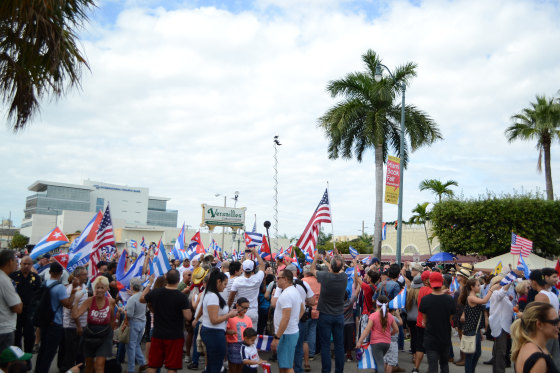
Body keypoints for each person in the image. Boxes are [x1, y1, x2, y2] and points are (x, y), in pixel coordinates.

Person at [140, 270, 191, 373]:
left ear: (166, 279)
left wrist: (150, 283)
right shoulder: (181, 297)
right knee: (172, 367)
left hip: (158, 333)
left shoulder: (156, 292)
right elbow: (188, 316)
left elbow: (141, 299)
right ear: (178, 280)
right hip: (175, 335)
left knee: (153, 365)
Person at [35, 262, 77, 373]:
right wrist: (73, 293)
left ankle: (38, 370)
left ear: (50, 272)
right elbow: (67, 304)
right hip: (55, 322)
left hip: (44, 321)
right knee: (49, 353)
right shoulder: (59, 287)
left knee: (43, 351)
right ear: (61, 273)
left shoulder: (44, 284)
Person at [310, 253, 348, 373]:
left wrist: (317, 257)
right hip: (339, 315)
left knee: (325, 346)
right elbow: (339, 268)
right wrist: (329, 260)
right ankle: (339, 370)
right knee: (339, 346)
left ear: (330, 267)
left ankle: (326, 370)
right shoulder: (344, 277)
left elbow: (312, 269)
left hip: (325, 315)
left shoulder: (324, 276)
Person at [71, 275, 116, 373]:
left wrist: (111, 334)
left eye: (102, 287)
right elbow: (75, 315)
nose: (99, 290)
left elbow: (112, 319)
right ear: (94, 288)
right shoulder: (89, 301)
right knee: (89, 365)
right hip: (90, 335)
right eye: (97, 287)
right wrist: (76, 301)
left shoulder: (111, 301)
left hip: (104, 335)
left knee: (100, 365)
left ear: (106, 289)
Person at [200, 269, 238, 373]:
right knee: (216, 364)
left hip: (214, 332)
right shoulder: (213, 296)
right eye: (225, 284)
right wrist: (229, 315)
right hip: (213, 333)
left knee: (213, 364)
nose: (226, 286)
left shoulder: (212, 294)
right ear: (218, 281)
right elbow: (214, 320)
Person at [458, 278, 499, 373]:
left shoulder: (474, 296)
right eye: (477, 285)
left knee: (477, 353)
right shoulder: (470, 297)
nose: (479, 286)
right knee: (471, 354)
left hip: (475, 329)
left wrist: (480, 331)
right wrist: (491, 289)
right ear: (472, 287)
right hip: (470, 330)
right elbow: (484, 301)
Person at [418, 272, 455, 373]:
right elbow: (450, 319)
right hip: (445, 337)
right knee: (444, 364)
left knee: (433, 366)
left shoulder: (425, 300)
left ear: (430, 282)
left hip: (431, 338)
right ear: (441, 282)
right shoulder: (449, 300)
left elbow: (424, 321)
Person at [511, 302, 559, 373]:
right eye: (555, 322)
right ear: (539, 324)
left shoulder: (525, 346)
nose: (558, 326)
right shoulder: (538, 360)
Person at [271, 269, 303, 373]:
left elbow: (286, 317)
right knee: (284, 365)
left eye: (278, 278)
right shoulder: (294, 291)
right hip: (289, 332)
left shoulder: (286, 295)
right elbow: (302, 308)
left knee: (287, 367)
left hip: (286, 334)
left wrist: (277, 337)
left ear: (285, 279)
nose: (277, 280)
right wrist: (295, 320)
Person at [10, 255, 41, 362]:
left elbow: (39, 295)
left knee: (29, 336)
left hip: (30, 312)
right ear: (20, 264)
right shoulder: (13, 276)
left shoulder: (36, 278)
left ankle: (27, 359)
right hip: (16, 311)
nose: (26, 266)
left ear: (32, 265)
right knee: (16, 336)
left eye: (29, 264)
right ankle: (17, 359)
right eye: (24, 264)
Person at [356, 295, 398, 373]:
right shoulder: (390, 316)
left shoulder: (373, 316)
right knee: (379, 361)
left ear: (376, 304)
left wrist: (359, 341)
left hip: (376, 343)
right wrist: (390, 334)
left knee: (380, 364)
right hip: (387, 343)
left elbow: (367, 330)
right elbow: (396, 329)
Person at [61, 266, 88, 373]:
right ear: (77, 276)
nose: (86, 276)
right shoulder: (72, 290)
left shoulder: (83, 286)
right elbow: (72, 309)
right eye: (84, 274)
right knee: (71, 354)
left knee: (80, 353)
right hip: (73, 327)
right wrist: (79, 326)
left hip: (82, 325)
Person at [229, 249, 266, 326]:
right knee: (251, 336)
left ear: (242, 269)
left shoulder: (237, 281)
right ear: (253, 269)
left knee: (240, 335)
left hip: (240, 311)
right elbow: (262, 265)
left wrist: (227, 309)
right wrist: (255, 252)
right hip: (253, 311)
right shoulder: (257, 279)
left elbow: (231, 297)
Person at [488, 275, 513, 373]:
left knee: (501, 351)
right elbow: (501, 293)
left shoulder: (503, 295)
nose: (502, 284)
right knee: (500, 352)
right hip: (500, 326)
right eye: (500, 283)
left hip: (505, 327)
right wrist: (511, 279)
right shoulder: (495, 293)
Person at [125, 278, 149, 373]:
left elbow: (130, 314)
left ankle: (131, 369)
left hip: (134, 323)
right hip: (142, 322)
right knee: (136, 345)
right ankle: (142, 362)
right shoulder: (143, 296)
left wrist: (123, 310)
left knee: (131, 346)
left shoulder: (132, 298)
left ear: (132, 286)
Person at [0, 251, 23, 353]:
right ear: (10, 261)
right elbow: (17, 308)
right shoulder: (5, 280)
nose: (16, 264)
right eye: (15, 261)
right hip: (4, 330)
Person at [413, 270, 432, 373]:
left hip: (419, 322)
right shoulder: (430, 291)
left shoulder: (421, 290)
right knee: (430, 348)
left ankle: (416, 368)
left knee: (419, 347)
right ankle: (430, 369)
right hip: (428, 323)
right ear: (426, 280)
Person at [227, 297, 253, 373]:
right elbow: (224, 330)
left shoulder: (248, 319)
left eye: (247, 308)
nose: (245, 310)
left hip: (244, 346)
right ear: (237, 306)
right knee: (232, 367)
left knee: (241, 367)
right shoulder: (230, 317)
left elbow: (250, 333)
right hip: (232, 345)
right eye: (243, 308)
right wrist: (229, 331)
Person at [406, 275, 422, 359]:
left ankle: (413, 355)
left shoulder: (409, 292)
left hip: (410, 317)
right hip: (419, 318)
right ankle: (418, 354)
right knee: (419, 337)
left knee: (413, 337)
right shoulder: (421, 292)